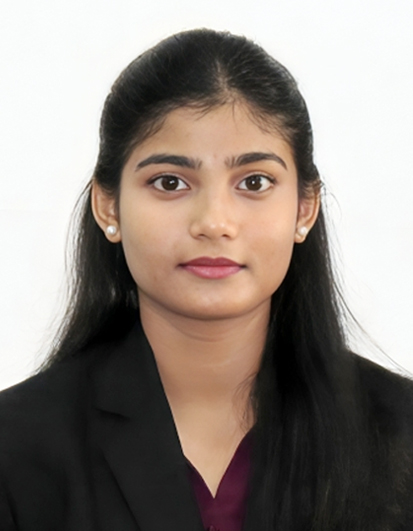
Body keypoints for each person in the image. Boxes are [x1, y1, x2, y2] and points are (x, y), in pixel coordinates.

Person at [1, 28, 413, 531]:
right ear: (108, 206)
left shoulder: (401, 433)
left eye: (254, 182)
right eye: (170, 182)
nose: (215, 222)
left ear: (305, 208)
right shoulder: (16, 447)